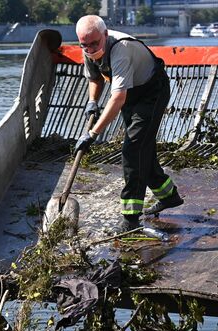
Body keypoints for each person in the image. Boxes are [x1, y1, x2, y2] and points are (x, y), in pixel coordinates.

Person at [73, 15, 184, 233]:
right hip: (131, 93)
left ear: (105, 35)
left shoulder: (120, 48)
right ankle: (169, 196)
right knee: (143, 148)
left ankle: (131, 219)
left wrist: (93, 134)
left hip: (151, 91)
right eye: (85, 45)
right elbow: (95, 78)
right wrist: (92, 102)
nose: (90, 48)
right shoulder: (87, 48)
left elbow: (117, 98)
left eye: (95, 43)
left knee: (133, 150)